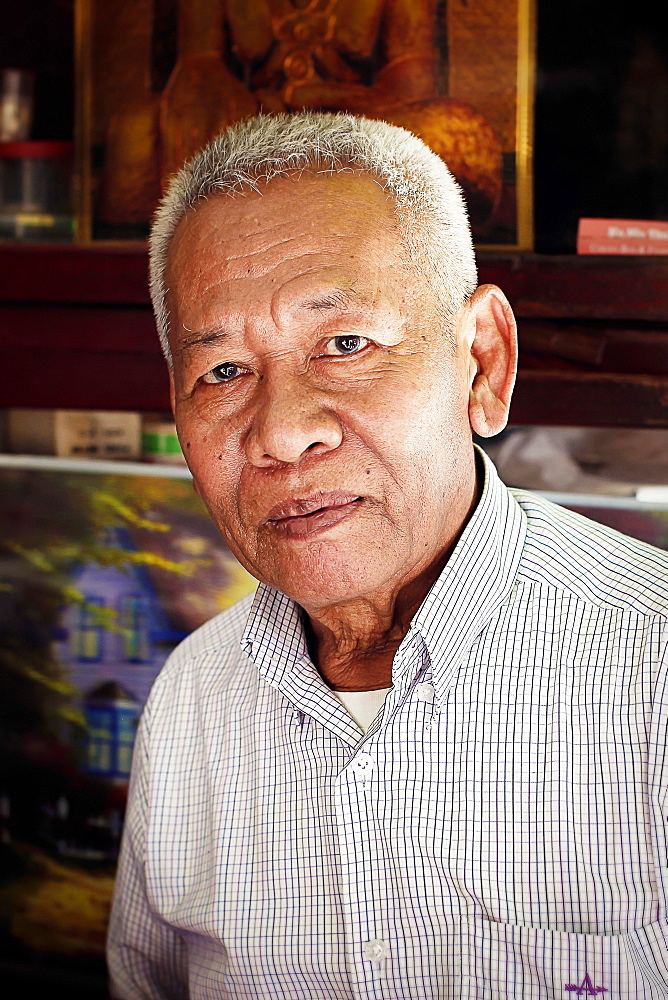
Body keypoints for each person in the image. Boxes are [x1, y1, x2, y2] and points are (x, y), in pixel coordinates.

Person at [107, 112, 668, 999]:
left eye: (345, 344)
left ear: (482, 361)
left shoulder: (653, 666)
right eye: (222, 373)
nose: (283, 435)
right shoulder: (191, 701)